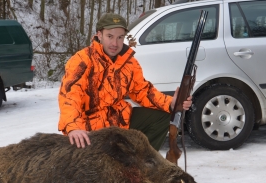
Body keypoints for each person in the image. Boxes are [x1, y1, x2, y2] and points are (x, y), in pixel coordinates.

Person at [58, 13, 192, 150]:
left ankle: (141, 164)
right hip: (89, 128)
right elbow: (70, 96)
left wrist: (171, 103)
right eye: (110, 36)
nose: (115, 44)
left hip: (119, 122)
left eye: (120, 37)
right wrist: (74, 127)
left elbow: (142, 91)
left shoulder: (129, 62)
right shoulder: (82, 60)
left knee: (164, 115)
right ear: (99, 35)